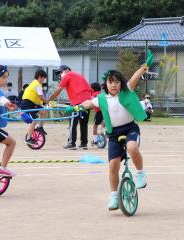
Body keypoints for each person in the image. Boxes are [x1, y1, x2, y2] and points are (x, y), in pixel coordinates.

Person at [70, 50, 154, 210]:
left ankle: (141, 173)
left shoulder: (127, 91)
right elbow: (88, 103)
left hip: (130, 129)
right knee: (113, 165)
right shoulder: (101, 98)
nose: (114, 85)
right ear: (106, 84)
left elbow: (135, 77)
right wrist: (75, 108)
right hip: (114, 134)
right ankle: (114, 196)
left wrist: (144, 66)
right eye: (110, 82)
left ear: (121, 83)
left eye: (116, 82)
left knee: (132, 147)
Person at [49, 65, 92, 150]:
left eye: (61, 72)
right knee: (83, 123)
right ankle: (84, 143)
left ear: (67, 70)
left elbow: (58, 90)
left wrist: (48, 100)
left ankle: (71, 143)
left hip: (77, 102)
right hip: (87, 102)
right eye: (59, 73)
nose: (60, 74)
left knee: (73, 122)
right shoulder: (78, 76)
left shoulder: (68, 75)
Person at [21, 70, 48, 145]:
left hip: (32, 104)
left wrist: (44, 104)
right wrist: (47, 102)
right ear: (39, 77)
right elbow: (40, 96)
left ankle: (40, 127)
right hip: (27, 104)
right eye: (43, 78)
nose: (44, 81)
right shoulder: (37, 84)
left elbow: (38, 99)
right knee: (34, 121)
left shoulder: (34, 83)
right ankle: (28, 138)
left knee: (44, 111)